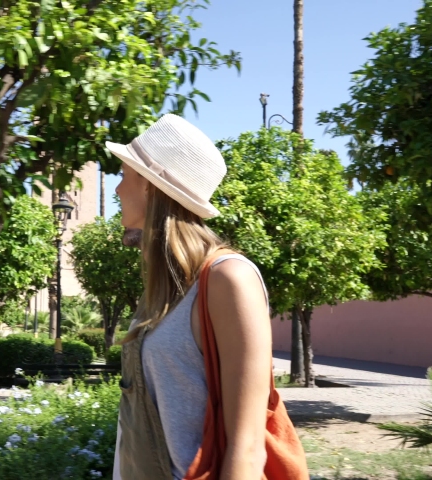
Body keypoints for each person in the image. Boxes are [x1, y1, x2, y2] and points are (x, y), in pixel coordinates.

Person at [107, 114, 303, 479]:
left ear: (150, 186)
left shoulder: (230, 279)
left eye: (123, 175)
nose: (116, 190)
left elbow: (247, 450)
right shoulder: (167, 288)